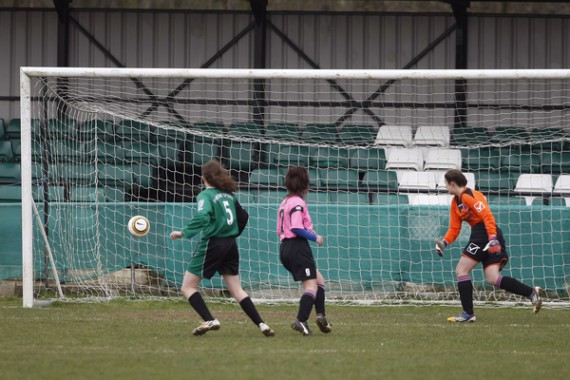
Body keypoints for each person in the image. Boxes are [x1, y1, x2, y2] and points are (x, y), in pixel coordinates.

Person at [170, 160, 274, 337]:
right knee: (236, 289)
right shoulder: (229, 196)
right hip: (230, 244)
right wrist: (232, 234)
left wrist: (184, 232)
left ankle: (210, 320)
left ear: (203, 178)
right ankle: (262, 324)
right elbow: (244, 216)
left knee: (187, 287)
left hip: (213, 243)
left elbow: (203, 217)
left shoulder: (206, 196)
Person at [435, 169, 543, 323]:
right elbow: (454, 228)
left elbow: (487, 216)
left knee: (461, 270)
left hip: (485, 233)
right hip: (482, 234)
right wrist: (444, 242)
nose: (446, 187)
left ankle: (468, 313)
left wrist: (492, 237)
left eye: (446, 184)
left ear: (452, 184)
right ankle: (532, 293)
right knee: (493, 278)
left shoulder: (469, 195)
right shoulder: (455, 202)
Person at [277, 166, 332, 336]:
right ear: (305, 185)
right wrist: (314, 237)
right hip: (297, 247)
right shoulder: (298, 202)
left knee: (319, 280)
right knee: (311, 286)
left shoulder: (285, 201)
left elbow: (287, 227)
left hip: (285, 248)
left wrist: (308, 231)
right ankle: (301, 320)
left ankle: (321, 316)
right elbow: (295, 226)